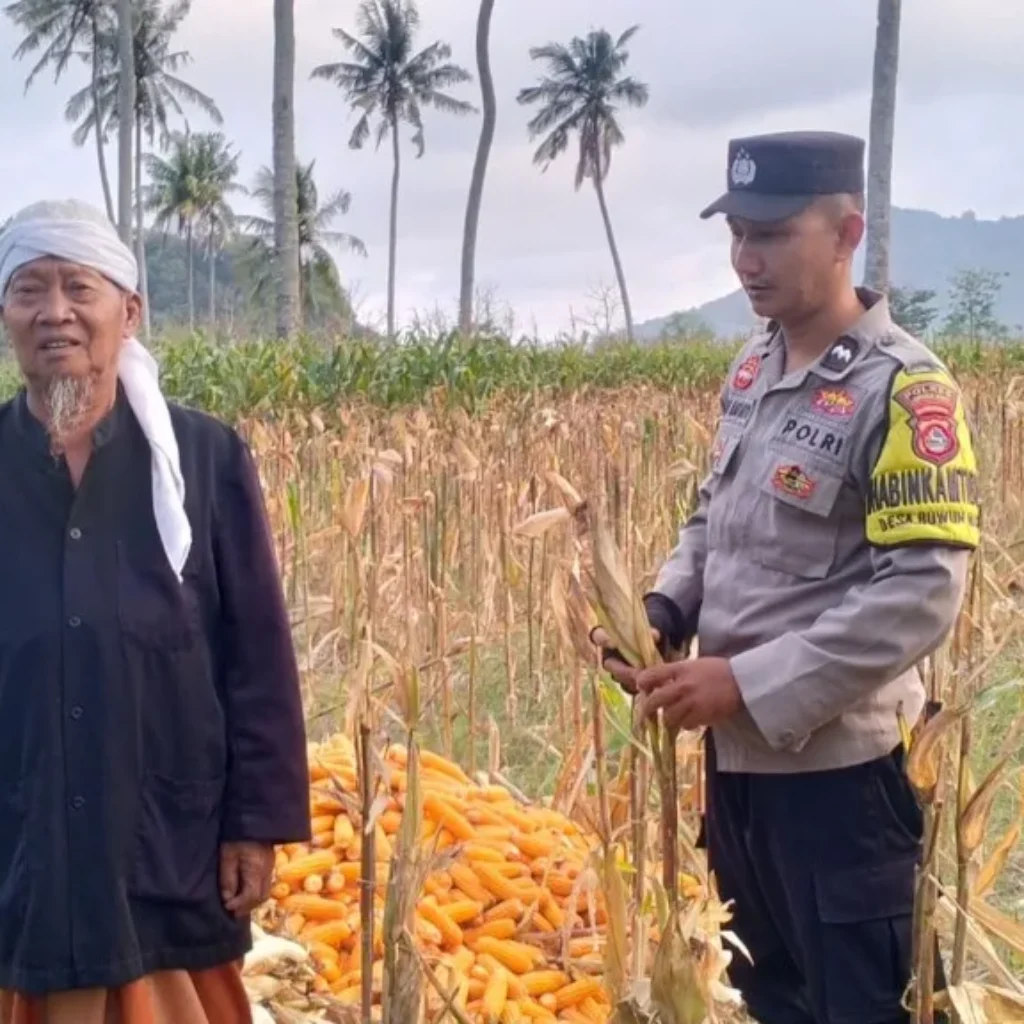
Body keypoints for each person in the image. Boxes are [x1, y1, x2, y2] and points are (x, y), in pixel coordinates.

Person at [598, 132, 978, 1024]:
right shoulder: (754, 367)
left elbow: (922, 592)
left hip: (839, 791)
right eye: (736, 233)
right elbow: (713, 517)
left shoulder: (907, 392)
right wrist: (660, 607)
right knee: (771, 1002)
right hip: (740, 783)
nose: (746, 259)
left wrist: (744, 682)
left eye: (771, 234)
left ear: (845, 235)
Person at [0, 199, 311, 1024]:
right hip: (22, 845)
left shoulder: (204, 461)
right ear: (6, 316)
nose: (55, 312)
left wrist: (255, 824)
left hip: (166, 839)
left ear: (128, 312)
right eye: (29, 289)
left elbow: (257, 657)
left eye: (79, 288)